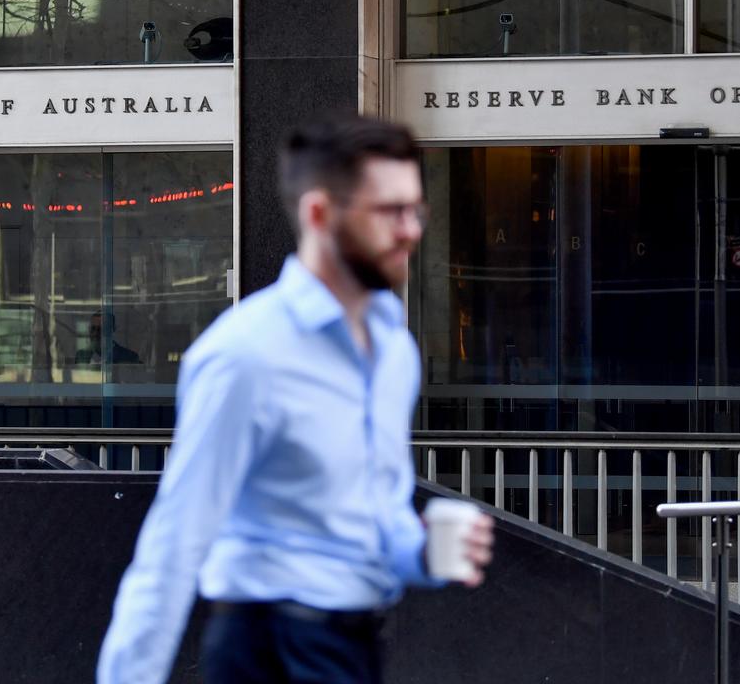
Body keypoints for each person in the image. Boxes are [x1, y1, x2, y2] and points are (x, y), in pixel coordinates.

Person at [96, 113, 494, 684]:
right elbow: (175, 542)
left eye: (415, 210)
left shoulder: (391, 349)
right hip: (269, 651)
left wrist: (425, 551)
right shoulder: (245, 355)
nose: (410, 230)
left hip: (356, 645)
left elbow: (373, 518)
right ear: (318, 213)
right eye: (388, 211)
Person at [76, 312, 141, 366]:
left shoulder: (129, 357)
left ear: (112, 329)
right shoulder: (82, 355)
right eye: (93, 328)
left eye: (101, 329)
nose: (95, 333)